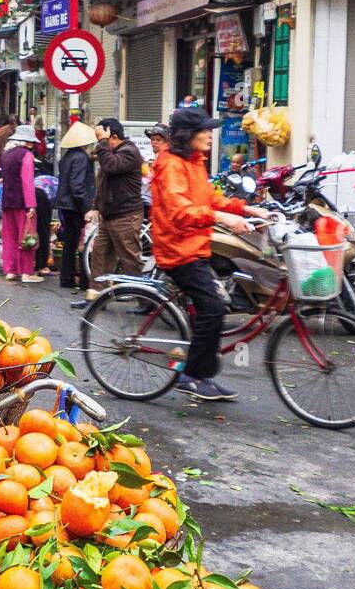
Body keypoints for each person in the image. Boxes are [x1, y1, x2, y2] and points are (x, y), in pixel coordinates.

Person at [151, 107, 271, 403]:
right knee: (213, 307)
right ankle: (192, 377)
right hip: (177, 250)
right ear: (187, 135)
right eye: (204, 130)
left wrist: (245, 208)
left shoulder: (194, 162)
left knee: (215, 306)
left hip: (196, 246)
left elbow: (209, 198)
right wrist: (222, 218)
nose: (209, 135)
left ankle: (202, 372)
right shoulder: (170, 166)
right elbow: (180, 212)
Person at [82, 117, 144, 301]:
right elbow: (102, 183)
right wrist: (95, 207)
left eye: (104, 137)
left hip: (126, 216)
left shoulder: (129, 152)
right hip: (108, 216)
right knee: (99, 255)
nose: (100, 143)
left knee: (129, 259)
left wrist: (102, 143)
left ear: (114, 136)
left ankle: (144, 298)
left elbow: (110, 165)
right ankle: (96, 296)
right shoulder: (110, 152)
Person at [0, 124, 42, 284]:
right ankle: (26, 272)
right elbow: (27, 181)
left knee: (9, 236)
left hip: (7, 201)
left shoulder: (6, 154)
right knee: (26, 236)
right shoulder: (26, 155)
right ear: (28, 141)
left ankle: (11, 270)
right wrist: (31, 205)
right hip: (23, 202)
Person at [57, 120, 96, 293]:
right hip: (75, 206)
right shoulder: (81, 158)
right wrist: (86, 206)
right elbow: (78, 185)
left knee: (69, 243)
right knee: (82, 242)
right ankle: (83, 281)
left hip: (66, 205)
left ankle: (67, 277)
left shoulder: (67, 157)